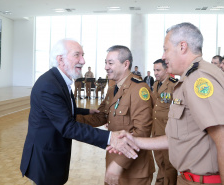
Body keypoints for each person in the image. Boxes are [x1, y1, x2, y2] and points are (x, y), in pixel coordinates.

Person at [109, 22, 224, 185]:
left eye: (166, 49)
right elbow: (178, 138)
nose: (163, 56)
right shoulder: (190, 78)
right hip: (190, 178)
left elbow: (222, 137)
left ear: (182, 46)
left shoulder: (199, 79)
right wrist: (134, 141)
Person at [20, 39, 139, 185]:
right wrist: (110, 138)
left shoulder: (59, 80)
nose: (83, 61)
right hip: (45, 157)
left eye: (82, 55)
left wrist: (87, 110)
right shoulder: (49, 85)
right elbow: (67, 126)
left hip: (53, 153)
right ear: (60, 59)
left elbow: (63, 108)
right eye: (77, 55)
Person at [77, 45, 155, 185]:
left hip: (134, 170)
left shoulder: (138, 89)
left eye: (110, 63)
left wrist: (118, 163)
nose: (106, 67)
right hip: (114, 162)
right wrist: (69, 119)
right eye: (105, 63)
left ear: (126, 64)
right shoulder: (113, 89)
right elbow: (100, 117)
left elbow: (142, 131)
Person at [152, 59, 178, 185]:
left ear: (166, 70)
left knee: (169, 164)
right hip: (156, 129)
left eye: (158, 70)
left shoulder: (174, 84)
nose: (155, 73)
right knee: (160, 161)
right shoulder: (156, 84)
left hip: (167, 130)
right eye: (154, 70)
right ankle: (160, 182)